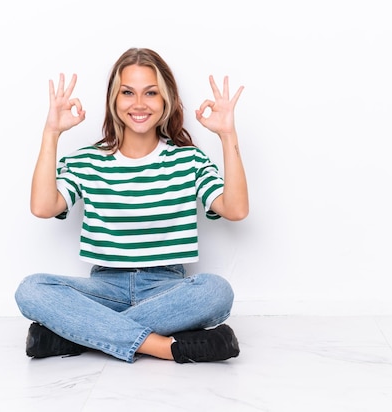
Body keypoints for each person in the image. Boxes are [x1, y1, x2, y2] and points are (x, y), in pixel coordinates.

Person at [14, 47, 248, 364]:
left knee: (216, 291)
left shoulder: (188, 159)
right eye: (128, 92)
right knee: (32, 289)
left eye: (151, 93)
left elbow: (236, 210)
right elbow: (43, 207)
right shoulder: (88, 161)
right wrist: (51, 132)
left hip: (167, 290)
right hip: (104, 291)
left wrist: (227, 134)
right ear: (114, 99)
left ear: (166, 100)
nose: (139, 104)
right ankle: (166, 347)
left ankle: (73, 335)